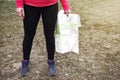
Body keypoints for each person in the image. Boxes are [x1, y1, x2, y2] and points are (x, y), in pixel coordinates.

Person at [16, 0, 70, 76]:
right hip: (30, 5)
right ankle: (25, 61)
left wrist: (65, 5)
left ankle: (51, 61)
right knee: (28, 35)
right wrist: (19, 5)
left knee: (50, 35)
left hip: (50, 5)